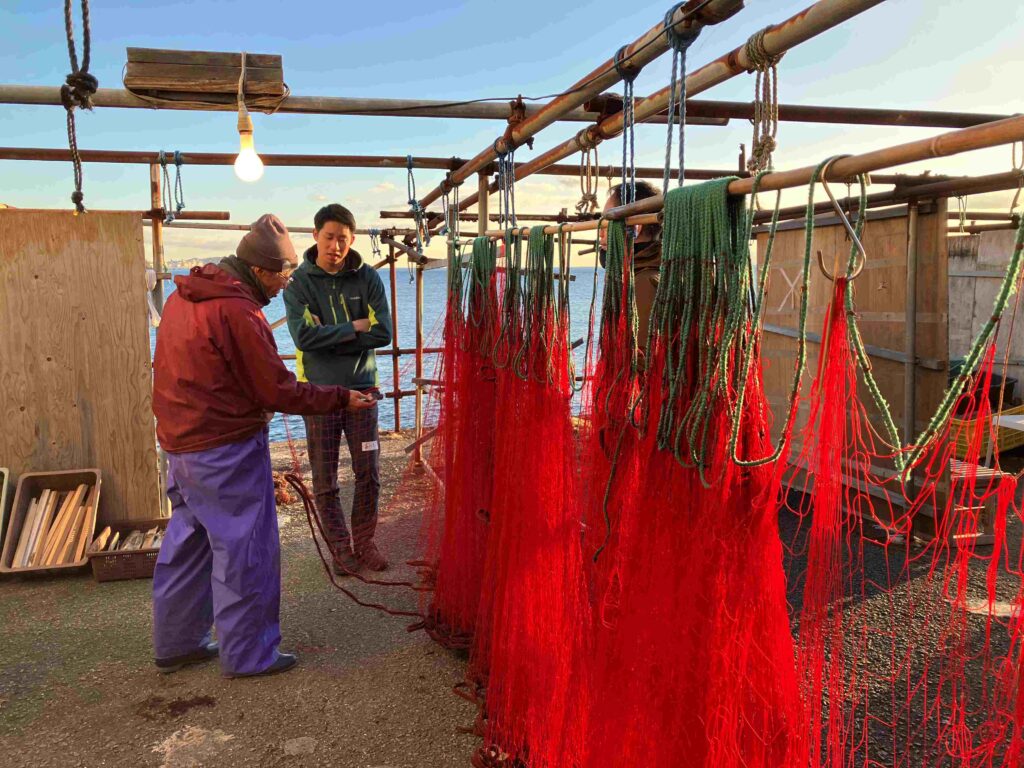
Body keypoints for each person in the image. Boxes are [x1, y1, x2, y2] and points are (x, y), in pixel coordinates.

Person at [151, 213, 376, 678]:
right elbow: (276, 389)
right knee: (246, 550)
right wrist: (340, 398)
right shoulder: (238, 311)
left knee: (188, 544)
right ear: (258, 270)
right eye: (282, 275)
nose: (284, 285)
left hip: (179, 444)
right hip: (224, 448)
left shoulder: (181, 298)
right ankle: (250, 655)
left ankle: (177, 643)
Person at [283, 204, 393, 575]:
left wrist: (328, 337)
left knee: (369, 473)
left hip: (363, 392)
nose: (335, 246)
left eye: (342, 240)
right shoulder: (299, 283)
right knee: (325, 479)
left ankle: (365, 542)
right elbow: (303, 337)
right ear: (315, 236)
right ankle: (340, 549)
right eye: (329, 237)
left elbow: (384, 332)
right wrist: (354, 328)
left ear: (352, 240)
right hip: (319, 394)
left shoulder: (367, 279)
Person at [600, 180, 662, 354]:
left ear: (635, 228)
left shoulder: (643, 283)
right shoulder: (647, 273)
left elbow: (639, 363)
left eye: (607, 222)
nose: (600, 232)